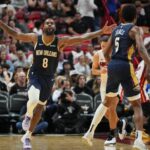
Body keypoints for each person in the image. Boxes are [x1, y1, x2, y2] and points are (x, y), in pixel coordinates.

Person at [0, 18, 115, 149]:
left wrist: (101, 31)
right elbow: (15, 34)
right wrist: (1, 23)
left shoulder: (60, 41)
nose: (50, 24)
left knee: (40, 108)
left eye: (52, 23)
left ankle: (27, 136)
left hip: (49, 79)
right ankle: (28, 115)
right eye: (47, 23)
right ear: (43, 27)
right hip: (35, 75)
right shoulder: (35, 38)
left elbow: (82, 37)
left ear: (54, 27)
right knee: (33, 99)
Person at [82, 4, 150, 150]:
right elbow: (141, 48)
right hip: (126, 65)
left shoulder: (116, 30)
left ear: (121, 17)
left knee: (107, 102)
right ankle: (138, 140)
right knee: (137, 105)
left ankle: (90, 131)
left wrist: (111, 65)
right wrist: (149, 63)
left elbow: (106, 53)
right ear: (135, 17)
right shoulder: (135, 29)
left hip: (112, 65)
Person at [83, 36, 126, 146]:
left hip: (117, 84)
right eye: (101, 46)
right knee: (107, 112)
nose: (103, 48)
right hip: (104, 85)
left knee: (110, 108)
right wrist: (100, 70)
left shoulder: (118, 54)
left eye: (105, 46)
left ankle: (111, 135)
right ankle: (120, 123)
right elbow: (93, 70)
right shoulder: (98, 54)